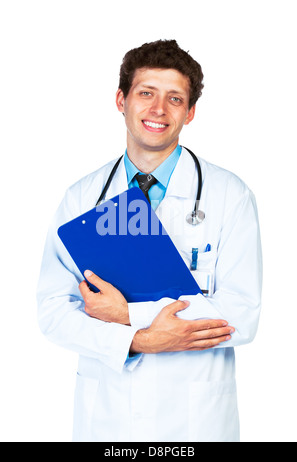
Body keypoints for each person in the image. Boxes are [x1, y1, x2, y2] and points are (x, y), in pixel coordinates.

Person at [37, 39, 262, 442]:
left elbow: (241, 317)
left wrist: (127, 316)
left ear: (190, 112)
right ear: (121, 100)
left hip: (197, 422)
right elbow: (54, 313)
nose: (158, 110)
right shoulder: (82, 198)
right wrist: (142, 340)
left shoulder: (230, 196)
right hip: (108, 419)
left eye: (174, 98)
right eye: (146, 93)